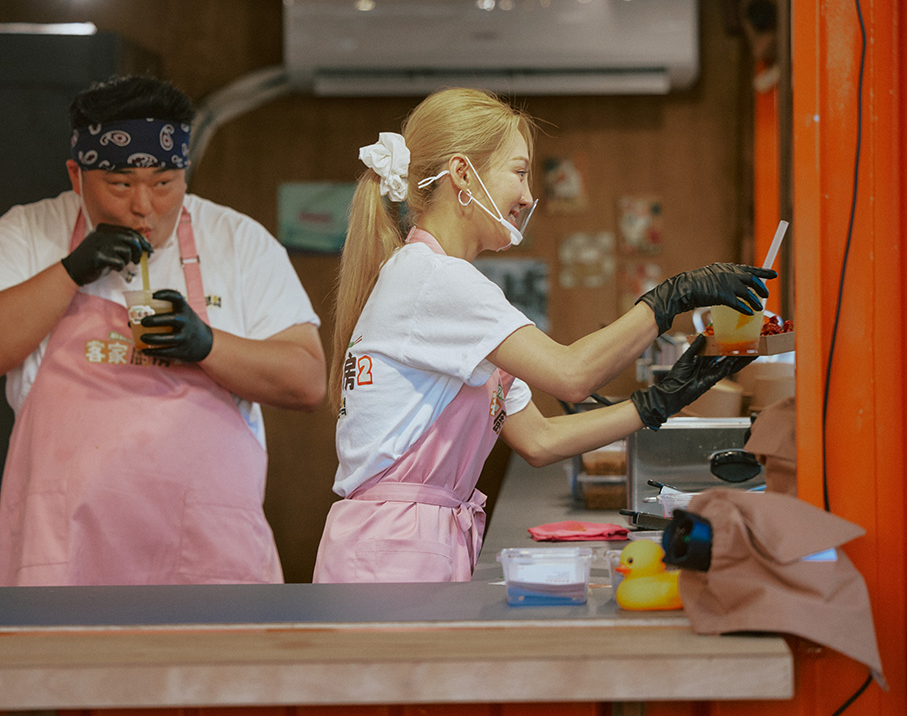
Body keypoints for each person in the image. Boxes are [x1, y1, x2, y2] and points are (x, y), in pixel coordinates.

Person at [312, 88, 773, 584]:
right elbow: (571, 375)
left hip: (410, 544)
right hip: (392, 554)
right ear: (463, 174)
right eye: (518, 171)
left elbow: (540, 439)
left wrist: (658, 403)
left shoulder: (437, 284)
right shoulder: (433, 280)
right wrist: (670, 298)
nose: (530, 195)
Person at [0, 74, 325, 586]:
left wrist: (208, 345)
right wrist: (69, 272)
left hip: (208, 559)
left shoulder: (239, 241)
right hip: (65, 554)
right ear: (77, 176)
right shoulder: (30, 232)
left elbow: (307, 380)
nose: (144, 206)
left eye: (165, 183)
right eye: (121, 184)